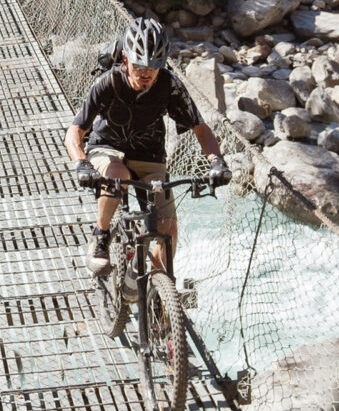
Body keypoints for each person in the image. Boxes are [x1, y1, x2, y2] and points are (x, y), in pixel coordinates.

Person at [65, 17, 229, 296]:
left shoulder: (169, 86)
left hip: (150, 154)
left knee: (168, 231)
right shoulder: (107, 83)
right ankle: (101, 235)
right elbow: (75, 130)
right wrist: (81, 163)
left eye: (154, 68)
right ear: (125, 59)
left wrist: (217, 161)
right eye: (139, 66)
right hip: (107, 147)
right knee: (118, 177)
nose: (146, 74)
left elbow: (199, 127)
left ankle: (154, 287)